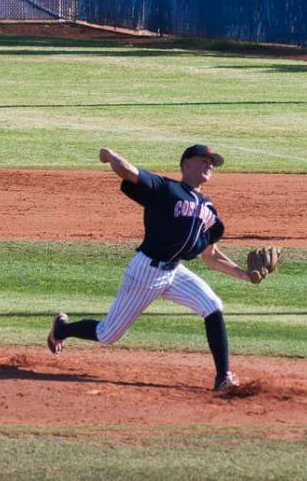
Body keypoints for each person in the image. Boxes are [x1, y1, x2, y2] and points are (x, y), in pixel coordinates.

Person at [46, 145, 257, 393]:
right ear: (186, 164)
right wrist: (110, 155)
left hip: (174, 272)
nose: (209, 165)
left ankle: (223, 377)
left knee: (212, 305)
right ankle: (61, 329)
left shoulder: (208, 208)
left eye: (212, 163)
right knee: (108, 334)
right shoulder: (166, 189)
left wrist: (244, 274)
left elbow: (210, 256)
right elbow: (129, 172)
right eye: (203, 160)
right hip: (146, 271)